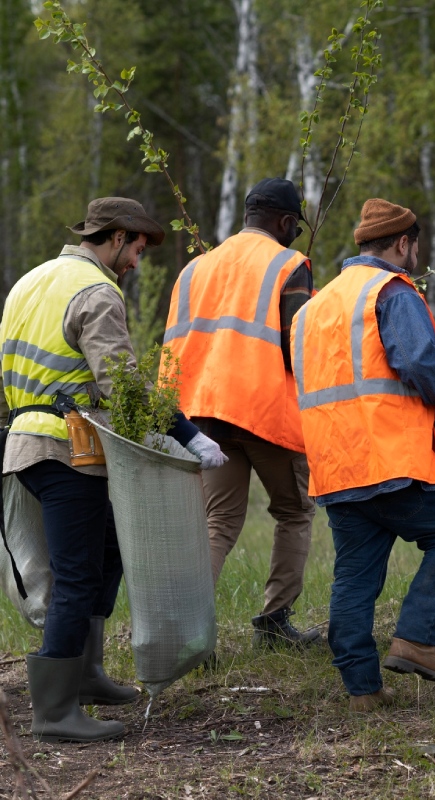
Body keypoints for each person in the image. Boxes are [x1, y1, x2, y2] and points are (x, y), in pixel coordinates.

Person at [0, 197, 226, 743]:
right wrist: (188, 434)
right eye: (138, 248)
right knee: (77, 576)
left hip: (27, 447)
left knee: (106, 554)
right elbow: (119, 382)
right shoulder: (97, 292)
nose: (137, 262)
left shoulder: (29, 282)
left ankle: (87, 674)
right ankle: (54, 712)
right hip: (66, 451)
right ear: (117, 236)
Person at [290, 198, 435, 711]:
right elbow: (418, 361)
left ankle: (363, 691)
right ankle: (417, 639)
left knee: (355, 575)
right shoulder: (391, 291)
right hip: (391, 460)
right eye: (415, 245)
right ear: (403, 243)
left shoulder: (312, 308)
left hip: (334, 466)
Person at [163, 178, 319, 648]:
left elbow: (175, 346)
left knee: (219, 522)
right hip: (266, 411)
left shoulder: (196, 268)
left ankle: (188, 632)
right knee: (294, 512)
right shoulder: (289, 265)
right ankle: (274, 624)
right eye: (294, 227)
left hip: (203, 417)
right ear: (286, 222)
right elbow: (298, 348)